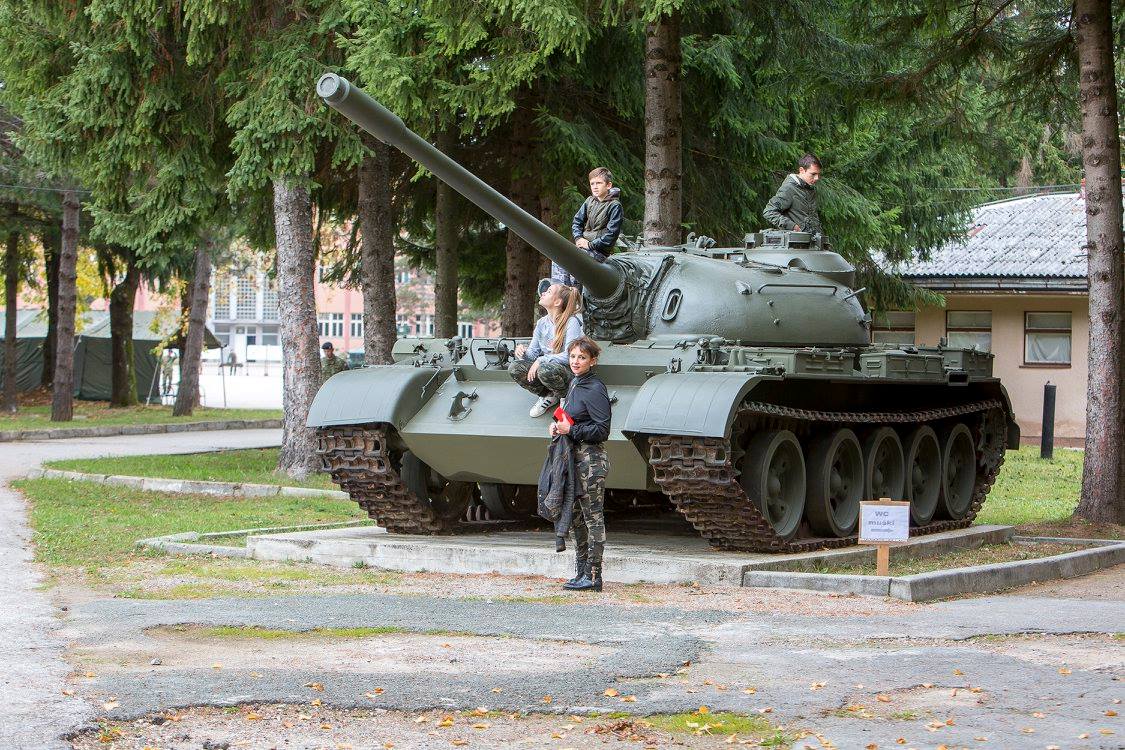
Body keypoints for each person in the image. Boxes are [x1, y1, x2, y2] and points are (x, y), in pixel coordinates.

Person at [550, 337, 611, 592]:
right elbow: (573, 418)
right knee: (575, 517)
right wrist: (558, 425)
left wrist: (571, 430)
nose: (576, 362)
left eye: (582, 358)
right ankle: (581, 572)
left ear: (592, 361)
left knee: (592, 518)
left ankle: (594, 575)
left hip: (590, 461)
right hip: (573, 460)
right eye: (573, 356)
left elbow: (602, 429)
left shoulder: (594, 387)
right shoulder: (575, 382)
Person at [509, 283, 583, 417]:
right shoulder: (542, 323)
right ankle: (548, 395)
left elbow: (571, 356)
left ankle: (566, 397)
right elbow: (533, 354)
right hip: (548, 370)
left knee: (545, 369)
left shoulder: (571, 322)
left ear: (557, 302)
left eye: (548, 291)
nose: (543, 293)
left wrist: (542, 360)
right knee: (515, 367)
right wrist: (522, 351)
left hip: (567, 375)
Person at [552, 167, 624, 287]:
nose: (595, 187)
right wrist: (578, 238)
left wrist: (590, 245)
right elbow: (577, 222)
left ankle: (575, 295)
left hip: (599, 252)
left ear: (608, 185)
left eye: (599, 183)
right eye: (592, 184)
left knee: (576, 260)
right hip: (584, 248)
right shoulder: (589, 201)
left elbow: (611, 235)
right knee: (558, 257)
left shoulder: (615, 206)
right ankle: (561, 294)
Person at [763, 153, 824, 239]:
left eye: (818, 174)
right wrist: (793, 226)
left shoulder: (809, 189)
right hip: (796, 243)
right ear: (801, 170)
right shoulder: (789, 188)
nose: (817, 178)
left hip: (812, 243)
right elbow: (769, 212)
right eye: (813, 174)